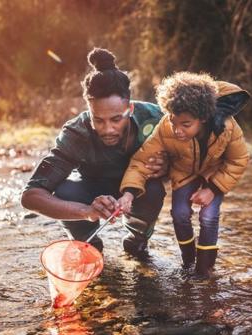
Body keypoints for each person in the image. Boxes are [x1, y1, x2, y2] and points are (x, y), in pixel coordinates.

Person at [20, 48, 167, 255]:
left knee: (154, 189)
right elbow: (31, 196)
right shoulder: (75, 133)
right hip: (90, 190)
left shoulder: (156, 118)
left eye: (116, 119)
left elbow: (194, 155)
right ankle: (89, 247)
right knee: (65, 191)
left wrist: (168, 165)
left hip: (138, 190)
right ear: (89, 110)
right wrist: (86, 212)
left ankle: (137, 240)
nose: (108, 129)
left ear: (130, 109)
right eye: (98, 120)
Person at [117, 72, 250, 277]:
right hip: (183, 172)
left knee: (209, 216)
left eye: (185, 125)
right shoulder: (165, 128)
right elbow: (142, 161)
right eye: (173, 121)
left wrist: (212, 189)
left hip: (214, 174)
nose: (177, 130)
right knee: (179, 214)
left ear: (203, 118)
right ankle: (188, 263)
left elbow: (239, 160)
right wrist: (128, 193)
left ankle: (204, 269)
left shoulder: (228, 127)